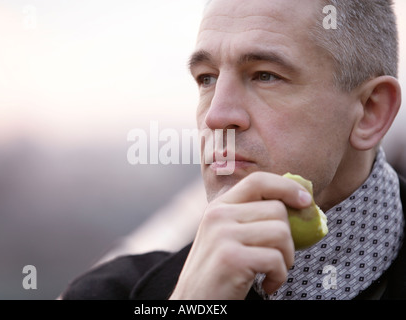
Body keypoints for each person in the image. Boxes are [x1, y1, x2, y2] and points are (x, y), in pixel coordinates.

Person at [61, 0, 406, 300]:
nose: (216, 116)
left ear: (370, 112)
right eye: (206, 78)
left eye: (265, 75)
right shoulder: (104, 292)